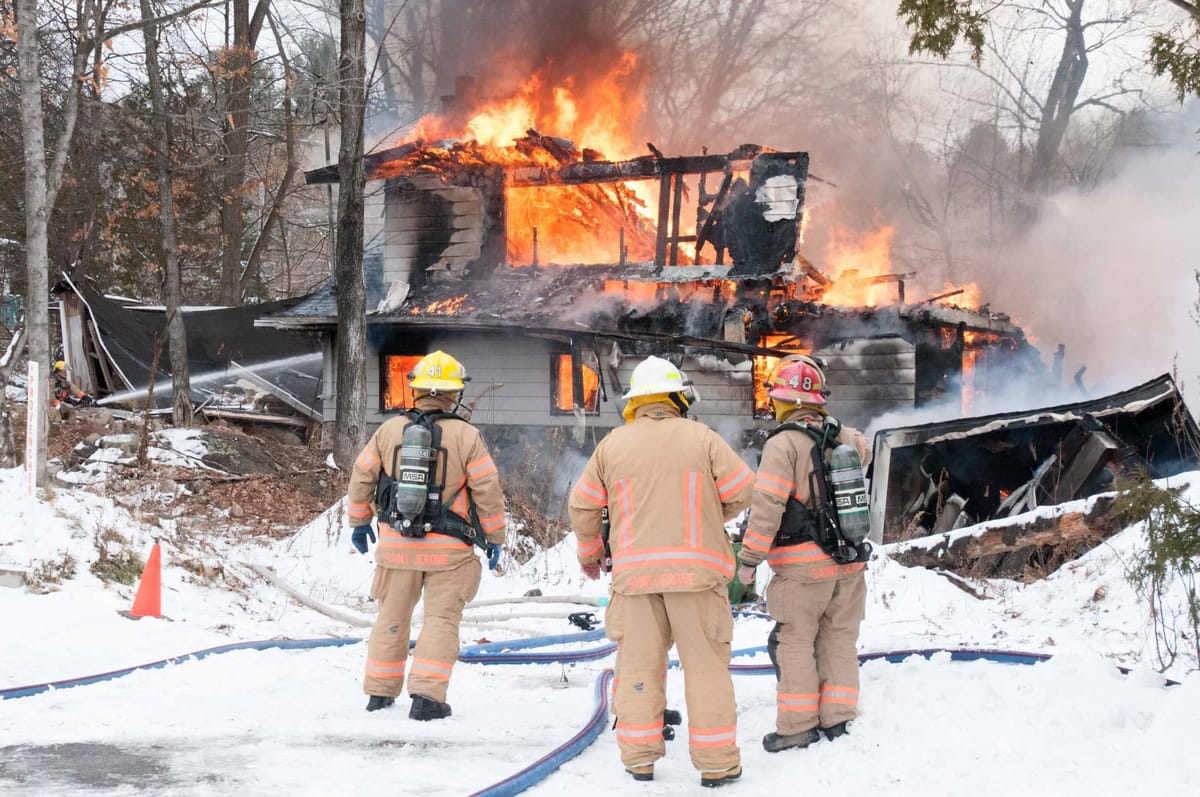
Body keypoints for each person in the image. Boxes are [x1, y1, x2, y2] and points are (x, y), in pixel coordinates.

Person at [569, 355, 755, 788]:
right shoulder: (702, 438)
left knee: (637, 668)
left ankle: (639, 759)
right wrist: (712, 513)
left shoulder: (612, 445)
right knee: (706, 669)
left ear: (635, 401)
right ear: (678, 398)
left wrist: (590, 552)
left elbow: (583, 504)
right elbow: (744, 489)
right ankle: (717, 764)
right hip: (698, 579)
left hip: (635, 581)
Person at [346, 350, 507, 719]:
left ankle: (379, 692)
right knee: (440, 621)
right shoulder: (466, 435)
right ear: (455, 393)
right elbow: (487, 491)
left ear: (416, 389)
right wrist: (495, 537)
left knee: (391, 616)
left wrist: (359, 522)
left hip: (396, 546)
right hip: (448, 552)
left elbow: (361, 476)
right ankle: (427, 699)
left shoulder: (389, 430)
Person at [736, 355, 872, 752]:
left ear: (784, 401)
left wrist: (749, 559)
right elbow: (864, 450)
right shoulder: (843, 437)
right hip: (849, 563)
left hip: (802, 571)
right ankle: (838, 718)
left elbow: (767, 506)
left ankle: (797, 727)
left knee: (794, 643)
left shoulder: (782, 444)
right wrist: (838, 428)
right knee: (839, 640)